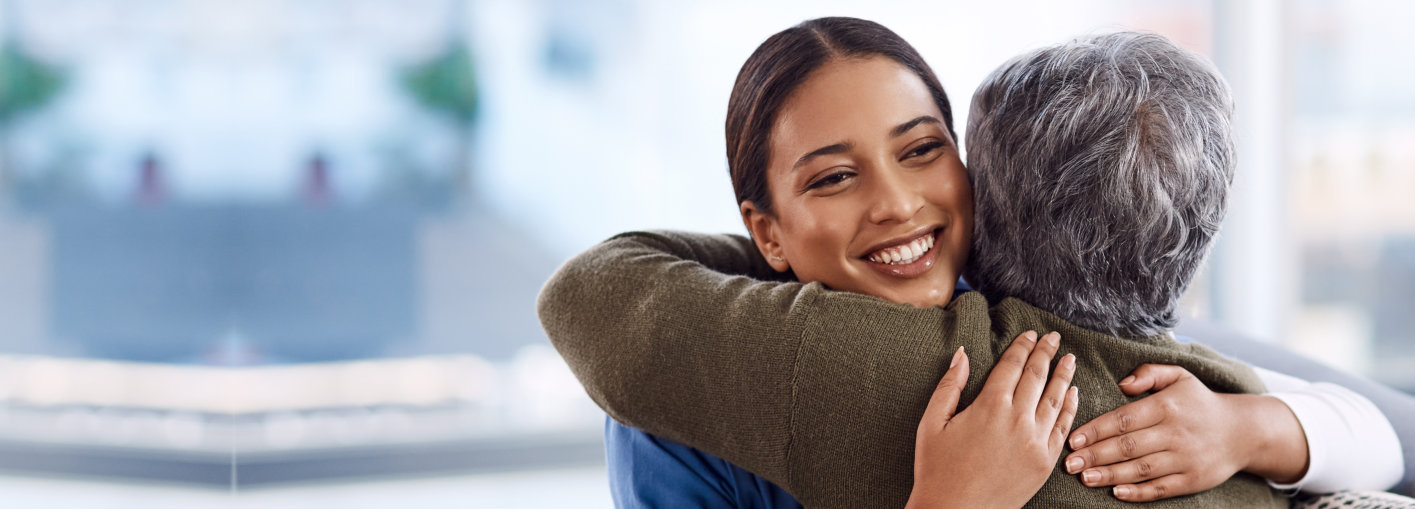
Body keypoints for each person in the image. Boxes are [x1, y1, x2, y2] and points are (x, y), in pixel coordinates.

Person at [537, 19, 1403, 508]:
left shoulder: (1038, 300)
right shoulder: (683, 391)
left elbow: (1382, 433)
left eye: (920, 151)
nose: (895, 204)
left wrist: (1246, 428)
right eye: (834, 179)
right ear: (765, 230)